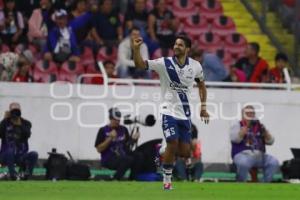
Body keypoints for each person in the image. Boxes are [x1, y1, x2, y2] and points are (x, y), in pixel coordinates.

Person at [133, 34, 210, 190]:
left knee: (185, 153)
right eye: (175, 44)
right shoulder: (164, 63)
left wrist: (203, 107)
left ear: (187, 49)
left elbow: (202, 86)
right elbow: (140, 65)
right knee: (173, 142)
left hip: (185, 115)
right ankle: (167, 180)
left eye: (180, 45)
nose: (176, 47)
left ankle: (163, 148)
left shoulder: (195, 66)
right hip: (168, 111)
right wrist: (136, 50)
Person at [230, 105, 279, 182]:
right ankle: (240, 183)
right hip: (243, 154)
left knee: (273, 162)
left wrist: (266, 133)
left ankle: (265, 184)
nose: (250, 115)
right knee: (243, 163)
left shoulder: (259, 126)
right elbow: (234, 139)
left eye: (252, 113)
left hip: (259, 154)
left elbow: (271, 141)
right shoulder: (238, 125)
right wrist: (242, 133)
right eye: (247, 113)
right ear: (243, 114)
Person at [94, 107, 142, 180]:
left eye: (119, 119)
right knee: (128, 159)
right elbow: (99, 149)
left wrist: (134, 139)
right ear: (110, 118)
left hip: (122, 155)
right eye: (115, 119)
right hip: (108, 159)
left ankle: (132, 178)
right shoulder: (103, 130)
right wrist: (109, 138)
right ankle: (115, 178)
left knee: (138, 156)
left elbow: (127, 146)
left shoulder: (123, 129)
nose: (117, 121)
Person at [0, 102, 38, 180]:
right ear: (10, 111)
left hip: (20, 155)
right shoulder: (5, 123)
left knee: (34, 154)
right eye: (13, 111)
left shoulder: (26, 123)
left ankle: (26, 175)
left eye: (17, 111)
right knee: (10, 150)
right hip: (5, 155)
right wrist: (4, 119)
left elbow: (27, 134)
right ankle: (12, 175)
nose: (15, 113)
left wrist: (19, 124)